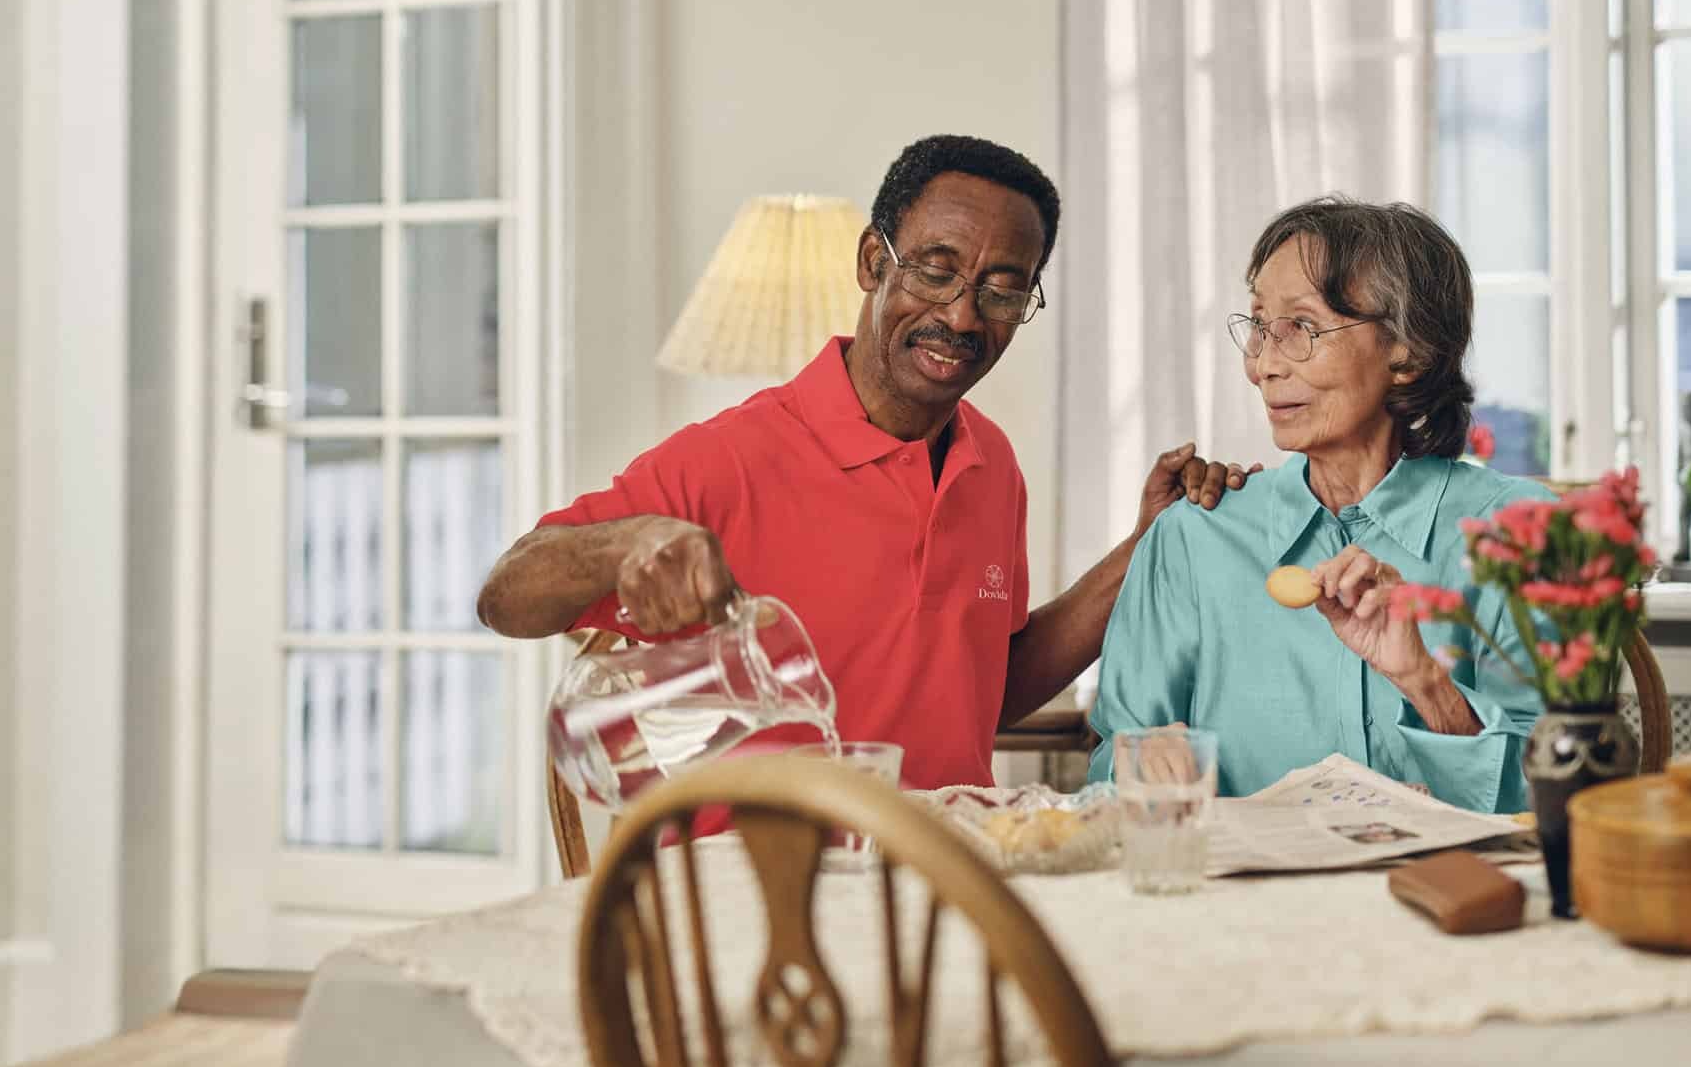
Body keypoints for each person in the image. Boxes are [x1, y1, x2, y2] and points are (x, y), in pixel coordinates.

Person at [479, 134, 1251, 789]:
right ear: (871, 263)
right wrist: (628, 543)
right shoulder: (732, 457)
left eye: (1001, 291)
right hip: (757, 889)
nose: (960, 316)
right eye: (935, 270)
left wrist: (1149, 547)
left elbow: (984, 690)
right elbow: (506, 596)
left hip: (945, 881)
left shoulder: (991, 464)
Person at [1086, 197, 1553, 813]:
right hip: (1242, 903)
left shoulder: (1519, 534)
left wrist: (1426, 683)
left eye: (1302, 328)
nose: (1264, 366)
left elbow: (1555, 798)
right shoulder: (1194, 536)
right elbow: (1110, 769)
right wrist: (1143, 764)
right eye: (1258, 326)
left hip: (1447, 898)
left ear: (1408, 350)